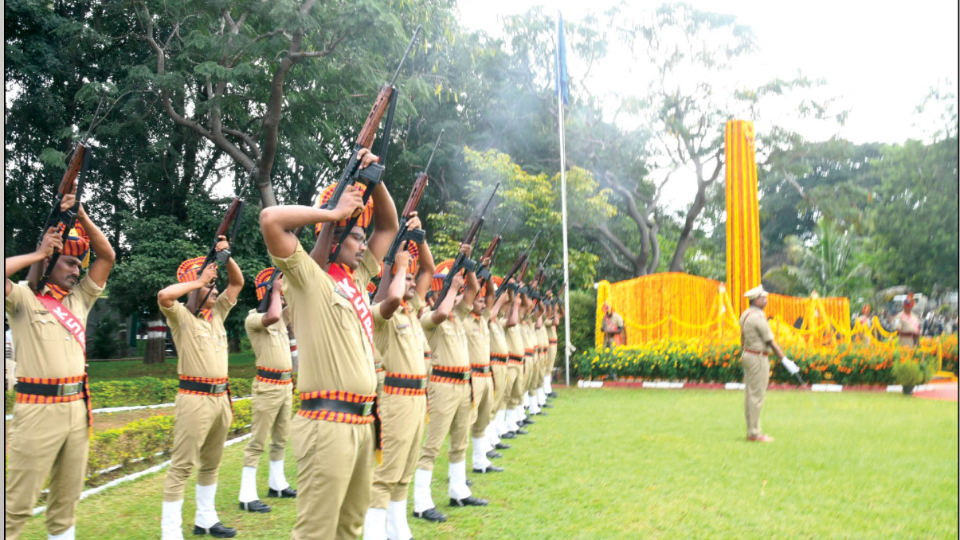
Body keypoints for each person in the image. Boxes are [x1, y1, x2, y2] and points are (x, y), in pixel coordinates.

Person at [259, 151, 400, 540]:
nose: (363, 243)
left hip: (361, 421)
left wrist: (375, 179)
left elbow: (389, 226)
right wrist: (332, 214)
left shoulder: (356, 281)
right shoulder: (306, 280)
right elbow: (271, 220)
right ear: (336, 238)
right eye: (355, 236)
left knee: (350, 529)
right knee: (316, 532)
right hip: (327, 423)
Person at [5, 192, 115, 540]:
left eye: (78, 265)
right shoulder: (23, 298)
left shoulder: (79, 299)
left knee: (65, 506)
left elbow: (107, 256)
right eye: (68, 262)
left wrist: (81, 212)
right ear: (50, 262)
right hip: (38, 411)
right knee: (16, 507)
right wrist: (38, 253)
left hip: (76, 410)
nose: (76, 270)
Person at [158, 237, 244, 539]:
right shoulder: (181, 317)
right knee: (182, 465)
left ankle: (206, 519)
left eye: (214, 284)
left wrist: (225, 256)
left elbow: (238, 282)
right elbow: (164, 295)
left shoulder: (217, 314)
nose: (216, 288)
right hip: (194, 398)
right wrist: (198, 282)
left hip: (221, 397)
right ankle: (171, 531)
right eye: (211, 285)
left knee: (212, 462)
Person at [364, 223, 435, 540]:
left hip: (419, 400)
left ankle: (397, 529)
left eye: (411, 277)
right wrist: (399, 265)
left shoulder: (412, 311)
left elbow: (429, 271)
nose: (411, 280)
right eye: (405, 277)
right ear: (391, 278)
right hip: (395, 399)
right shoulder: (382, 312)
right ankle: (374, 532)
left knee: (405, 468)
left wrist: (420, 240)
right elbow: (390, 300)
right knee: (386, 471)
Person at [413, 246, 488, 523]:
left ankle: (458, 489)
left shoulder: (459, 315)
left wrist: (466, 263)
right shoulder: (428, 317)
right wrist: (451, 289)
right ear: (435, 295)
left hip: (463, 385)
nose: (458, 295)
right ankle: (421, 501)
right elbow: (441, 313)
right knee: (432, 445)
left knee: (460, 441)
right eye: (448, 292)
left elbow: (474, 289)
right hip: (442, 385)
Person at [237, 268, 296, 515]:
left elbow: (295, 306)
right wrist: (275, 291)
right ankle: (246, 494)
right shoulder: (254, 319)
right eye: (277, 292)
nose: (282, 297)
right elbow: (271, 316)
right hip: (268, 386)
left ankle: (277, 483)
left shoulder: (281, 318)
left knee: (281, 438)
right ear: (268, 292)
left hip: (285, 385)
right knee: (258, 441)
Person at [463, 262, 503, 474]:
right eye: (477, 300)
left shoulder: (484, 318)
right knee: (467, 423)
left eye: (482, 299)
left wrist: (487, 275)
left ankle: (480, 462)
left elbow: (491, 298)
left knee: (483, 421)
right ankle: (459, 469)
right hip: (473, 377)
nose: (482, 302)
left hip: (487, 375)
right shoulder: (464, 319)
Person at [739, 284, 789, 443]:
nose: (766, 300)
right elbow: (771, 342)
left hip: (748, 354)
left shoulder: (745, 314)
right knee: (757, 395)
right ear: (756, 300)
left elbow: (742, 339)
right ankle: (754, 433)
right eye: (763, 298)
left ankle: (751, 430)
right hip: (758, 357)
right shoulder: (758, 317)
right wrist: (785, 360)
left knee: (749, 394)